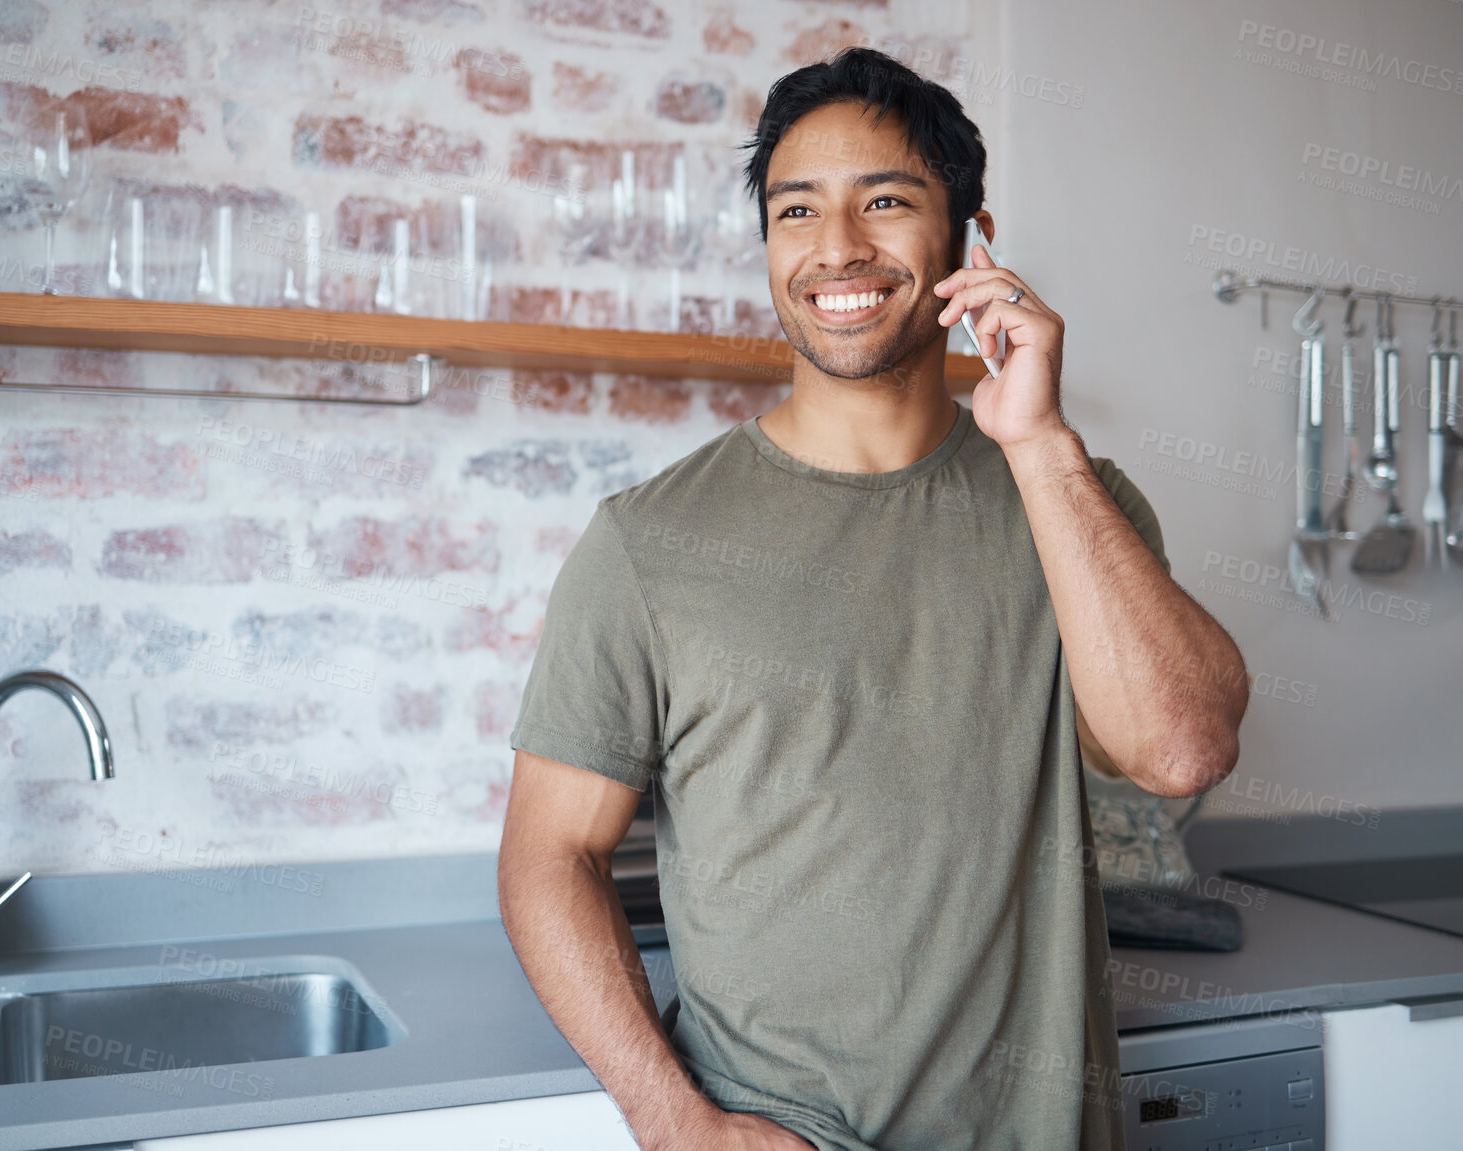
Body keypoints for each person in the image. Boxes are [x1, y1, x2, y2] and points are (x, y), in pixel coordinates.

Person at [498, 47, 1248, 1151]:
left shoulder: (1071, 500)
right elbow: (545, 856)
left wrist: (1036, 442)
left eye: (885, 201)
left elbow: (1179, 749)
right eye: (795, 210)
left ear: (967, 238)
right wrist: (672, 1121)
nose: (836, 247)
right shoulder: (647, 542)